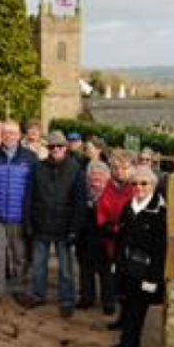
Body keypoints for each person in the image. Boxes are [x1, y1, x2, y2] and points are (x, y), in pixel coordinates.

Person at [0, 119, 39, 310]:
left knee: (20, 255)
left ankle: (19, 289)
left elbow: (36, 188)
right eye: (6, 133)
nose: (9, 136)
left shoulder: (30, 157)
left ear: (19, 135)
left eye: (13, 133)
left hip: (20, 217)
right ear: (1, 135)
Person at [111, 166, 167, 347]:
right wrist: (116, 262)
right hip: (126, 266)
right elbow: (121, 238)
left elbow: (161, 248)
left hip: (144, 271)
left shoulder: (160, 212)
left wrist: (153, 277)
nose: (139, 187)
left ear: (153, 185)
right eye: (135, 183)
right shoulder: (128, 206)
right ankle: (130, 343)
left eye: (144, 183)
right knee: (126, 306)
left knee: (137, 310)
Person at [26, 131, 86, 317]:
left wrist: (75, 229)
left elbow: (80, 202)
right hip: (41, 223)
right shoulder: (37, 167)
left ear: (65, 148)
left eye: (59, 146)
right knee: (38, 266)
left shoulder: (75, 169)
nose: (55, 150)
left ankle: (67, 300)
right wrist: (28, 221)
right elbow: (29, 196)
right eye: (51, 147)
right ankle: (38, 295)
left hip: (64, 227)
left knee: (66, 269)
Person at [98, 150, 136, 321]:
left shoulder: (136, 188)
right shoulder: (108, 187)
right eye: (116, 168)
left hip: (129, 239)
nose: (120, 171)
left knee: (127, 277)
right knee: (108, 272)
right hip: (110, 237)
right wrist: (106, 224)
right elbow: (102, 209)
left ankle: (127, 309)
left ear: (132, 168)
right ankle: (109, 302)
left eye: (124, 168)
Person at [75, 160, 116, 314]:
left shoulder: (111, 193)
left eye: (100, 174)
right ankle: (86, 298)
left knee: (106, 274)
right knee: (86, 271)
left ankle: (108, 302)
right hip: (85, 239)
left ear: (107, 177)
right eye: (93, 174)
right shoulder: (83, 192)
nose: (96, 178)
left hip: (105, 240)